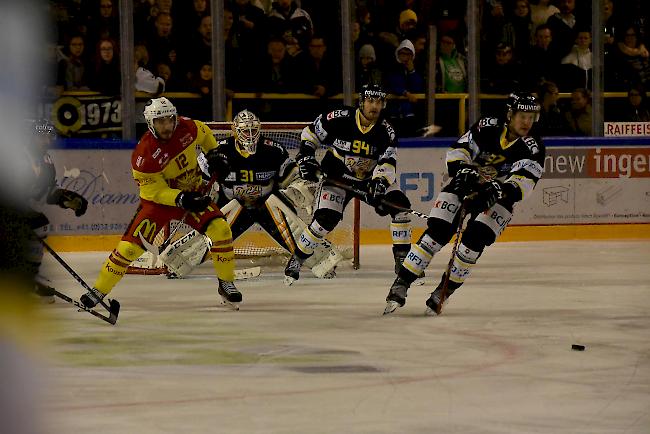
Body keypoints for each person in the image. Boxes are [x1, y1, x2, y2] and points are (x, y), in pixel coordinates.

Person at [384, 92, 545, 316]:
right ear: (510, 114)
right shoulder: (488, 126)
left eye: (531, 117)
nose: (527, 122)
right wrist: (463, 169)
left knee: (472, 245)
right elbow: (459, 149)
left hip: (498, 198)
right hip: (466, 186)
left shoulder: (533, 146)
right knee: (436, 233)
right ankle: (401, 283)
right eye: (522, 116)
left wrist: (500, 190)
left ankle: (443, 292)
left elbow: (525, 181)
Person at [81, 97, 240, 310]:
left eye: (169, 120)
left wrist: (214, 152)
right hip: (159, 203)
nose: (166, 126)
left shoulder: (187, 127)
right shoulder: (144, 154)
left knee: (221, 230)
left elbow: (203, 131)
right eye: (159, 122)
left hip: (192, 192)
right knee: (128, 249)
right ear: (150, 123)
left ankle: (226, 283)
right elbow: (153, 191)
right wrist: (182, 199)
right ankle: (99, 290)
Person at [165, 109, 344, 279]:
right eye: (244, 130)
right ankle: (176, 263)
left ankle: (324, 262)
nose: (249, 135)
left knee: (291, 227)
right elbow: (198, 181)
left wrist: (298, 190)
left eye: (253, 129)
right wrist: (195, 194)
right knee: (215, 234)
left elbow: (293, 178)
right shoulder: (219, 150)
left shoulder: (274, 150)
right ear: (234, 130)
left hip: (266, 206)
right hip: (232, 203)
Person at [283, 84, 415, 285]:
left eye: (379, 102)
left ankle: (403, 262)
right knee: (324, 221)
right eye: (370, 101)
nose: (374, 106)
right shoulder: (339, 117)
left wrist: (379, 183)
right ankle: (297, 259)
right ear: (361, 102)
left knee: (401, 207)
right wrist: (306, 156)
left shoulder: (387, 130)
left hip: (369, 180)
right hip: (336, 178)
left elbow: (388, 162)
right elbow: (310, 134)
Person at [24, 119, 88, 302]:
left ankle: (29, 277)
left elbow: (43, 191)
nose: (45, 141)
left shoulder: (45, 159)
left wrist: (66, 199)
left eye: (47, 136)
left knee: (39, 224)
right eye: (40, 136)